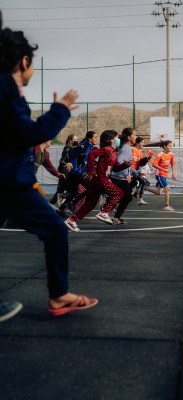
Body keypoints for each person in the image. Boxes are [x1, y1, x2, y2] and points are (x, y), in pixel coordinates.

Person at [0, 25, 98, 317]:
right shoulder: (5, 85)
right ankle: (58, 296)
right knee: (55, 231)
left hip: (11, 183)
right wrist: (61, 109)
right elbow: (30, 133)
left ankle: (59, 296)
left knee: (55, 231)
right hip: (10, 185)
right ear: (24, 61)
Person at [65, 130, 127, 232]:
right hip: (101, 180)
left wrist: (126, 165)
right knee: (119, 193)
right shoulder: (107, 150)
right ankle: (104, 212)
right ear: (110, 140)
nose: (118, 140)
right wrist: (92, 171)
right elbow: (91, 154)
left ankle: (71, 220)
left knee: (90, 204)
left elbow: (115, 168)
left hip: (98, 181)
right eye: (117, 138)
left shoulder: (113, 152)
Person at [57, 130, 98, 215]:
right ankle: (73, 202)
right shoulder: (85, 145)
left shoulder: (89, 146)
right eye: (95, 137)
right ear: (90, 139)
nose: (97, 139)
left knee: (74, 192)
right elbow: (72, 151)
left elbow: (85, 159)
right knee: (89, 188)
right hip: (75, 172)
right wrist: (68, 161)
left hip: (78, 173)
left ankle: (61, 209)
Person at [110, 127, 138, 225]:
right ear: (129, 137)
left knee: (127, 195)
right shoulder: (126, 148)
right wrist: (127, 175)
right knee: (127, 197)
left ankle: (116, 215)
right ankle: (115, 214)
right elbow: (119, 162)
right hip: (119, 177)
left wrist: (133, 173)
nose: (136, 137)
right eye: (135, 135)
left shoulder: (125, 147)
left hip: (118, 176)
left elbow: (126, 164)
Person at [50, 133, 78, 206]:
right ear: (70, 141)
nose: (76, 141)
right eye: (75, 140)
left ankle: (53, 201)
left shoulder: (72, 148)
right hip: (63, 170)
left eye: (77, 140)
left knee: (62, 187)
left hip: (67, 170)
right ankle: (59, 203)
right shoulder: (68, 149)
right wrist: (68, 163)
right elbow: (62, 160)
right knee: (63, 187)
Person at [149, 140, 176, 211]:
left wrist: (173, 173)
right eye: (169, 145)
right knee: (167, 188)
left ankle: (144, 188)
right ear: (165, 146)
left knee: (158, 192)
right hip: (159, 174)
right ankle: (167, 206)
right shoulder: (160, 154)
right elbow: (154, 164)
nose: (171, 147)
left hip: (164, 175)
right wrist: (163, 169)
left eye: (171, 145)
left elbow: (173, 164)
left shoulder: (171, 154)